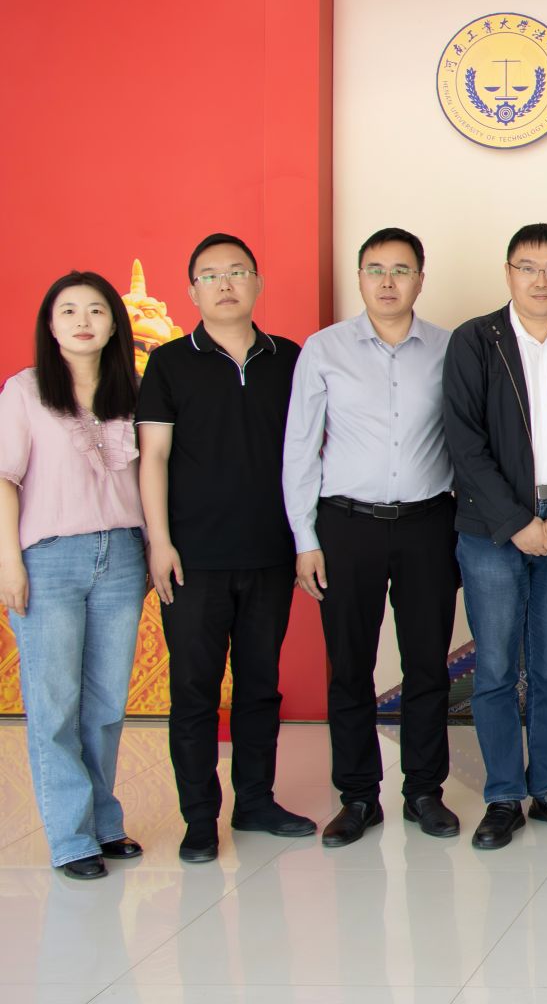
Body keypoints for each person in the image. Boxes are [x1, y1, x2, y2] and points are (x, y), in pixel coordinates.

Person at [138, 233, 315, 862]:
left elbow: (308, 453)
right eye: (210, 275)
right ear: (192, 291)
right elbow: (153, 457)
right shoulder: (168, 362)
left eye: (238, 272)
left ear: (258, 283)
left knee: (260, 686)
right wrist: (159, 542)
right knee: (195, 691)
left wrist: (305, 539)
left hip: (270, 553)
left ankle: (256, 802)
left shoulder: (290, 359)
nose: (225, 284)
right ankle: (198, 818)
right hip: (193, 559)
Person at [282, 228, 462, 848]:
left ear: (420, 279)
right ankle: (358, 796)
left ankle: (424, 791)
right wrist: (305, 538)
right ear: (359, 278)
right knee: (350, 667)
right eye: (375, 269)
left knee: (426, 665)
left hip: (427, 524)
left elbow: (469, 440)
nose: (388, 281)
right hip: (346, 525)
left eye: (401, 270)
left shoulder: (449, 349)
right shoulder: (324, 349)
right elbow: (300, 448)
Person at [443, 223, 547, 850]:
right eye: (527, 267)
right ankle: (503, 796)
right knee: (493, 667)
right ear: (508, 273)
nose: (541, 280)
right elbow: (464, 442)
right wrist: (516, 522)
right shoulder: (474, 341)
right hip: (492, 530)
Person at [0, 272, 148, 879]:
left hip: (123, 558)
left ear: (115, 323)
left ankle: (104, 823)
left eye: (96, 310)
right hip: (49, 558)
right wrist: (9, 560)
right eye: (68, 310)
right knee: (54, 702)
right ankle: (71, 837)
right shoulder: (25, 390)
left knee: (107, 701)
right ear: (50, 324)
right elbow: (5, 478)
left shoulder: (135, 390)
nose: (83, 320)